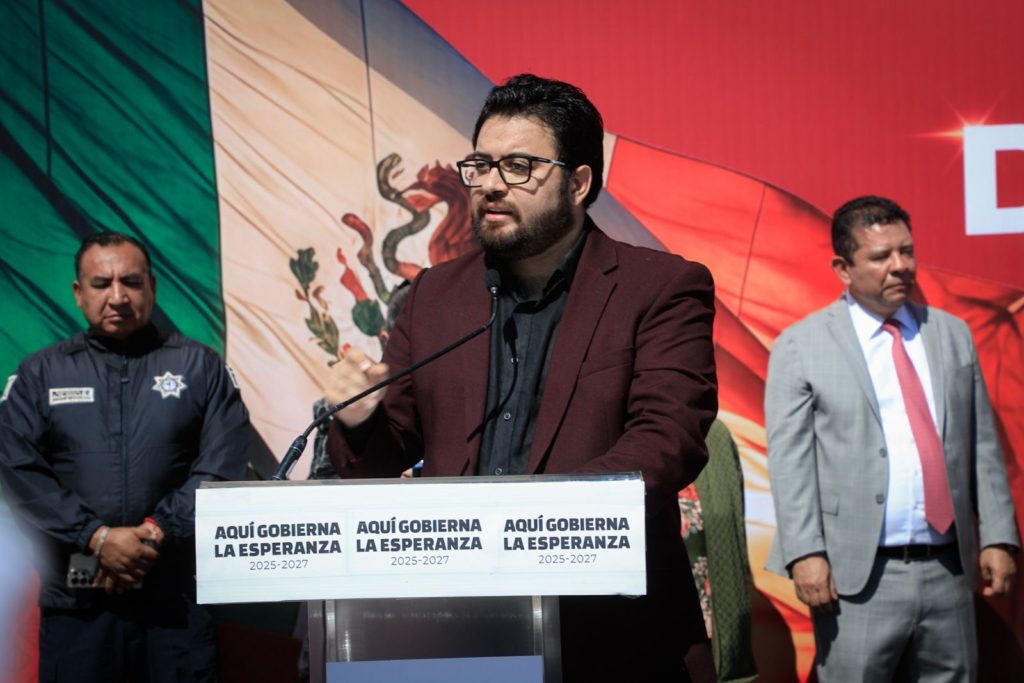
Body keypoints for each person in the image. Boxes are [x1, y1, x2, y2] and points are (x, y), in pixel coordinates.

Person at [323, 73, 718, 681]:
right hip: (453, 624)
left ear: (580, 182)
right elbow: (387, 451)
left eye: (519, 166)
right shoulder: (434, 295)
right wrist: (360, 420)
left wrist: (527, 527)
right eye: (480, 165)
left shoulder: (660, 287)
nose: (489, 186)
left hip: (606, 626)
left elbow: (668, 440)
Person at [765, 195, 1019, 681]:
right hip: (856, 578)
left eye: (907, 251)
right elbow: (790, 462)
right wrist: (806, 553)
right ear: (843, 267)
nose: (900, 266)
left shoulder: (951, 334)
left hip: (949, 570)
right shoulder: (802, 345)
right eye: (881, 256)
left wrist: (1000, 536)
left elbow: (982, 444)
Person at [0, 231, 251, 682]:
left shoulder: (201, 368)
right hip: (78, 605)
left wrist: (155, 531)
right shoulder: (40, 373)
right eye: (101, 284)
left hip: (176, 605)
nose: (117, 297)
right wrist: (95, 537)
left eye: (131, 282)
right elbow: (17, 470)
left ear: (152, 287)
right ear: (79, 293)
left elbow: (222, 464)